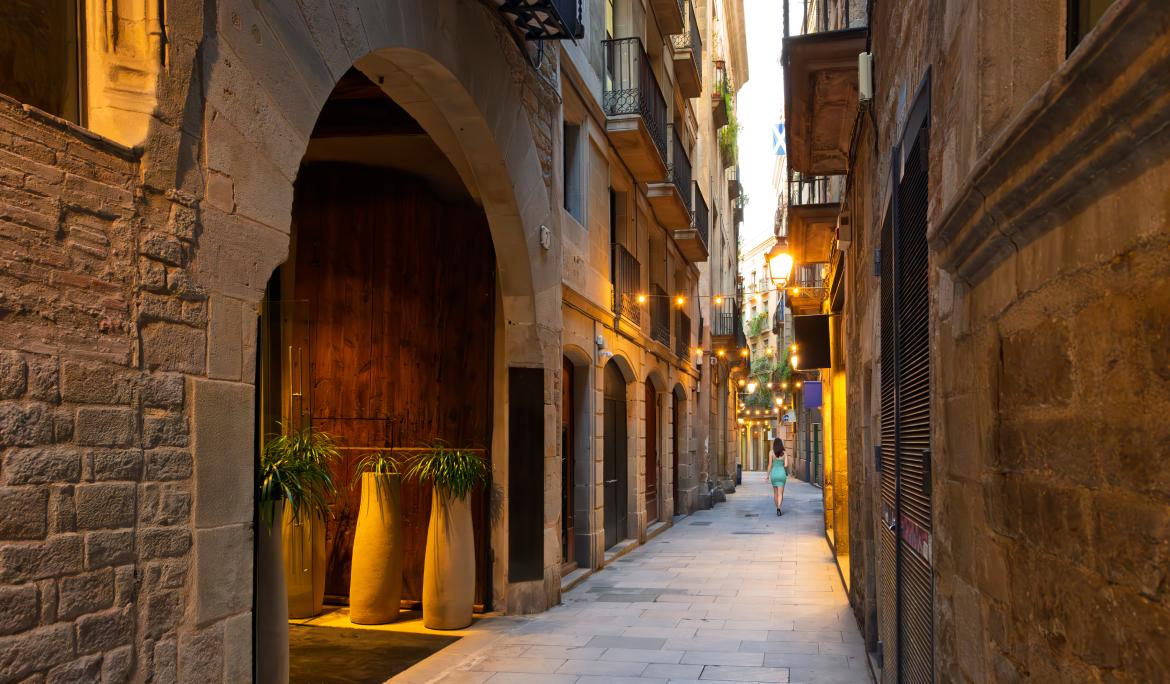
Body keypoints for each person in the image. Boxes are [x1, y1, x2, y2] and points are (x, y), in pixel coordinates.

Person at [767, 437, 788, 516]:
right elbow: (786, 465)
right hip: (782, 474)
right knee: (780, 494)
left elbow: (770, 465)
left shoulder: (771, 452)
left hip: (774, 474)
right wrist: (782, 466)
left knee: (775, 493)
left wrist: (767, 475)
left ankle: (777, 508)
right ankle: (779, 507)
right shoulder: (784, 453)